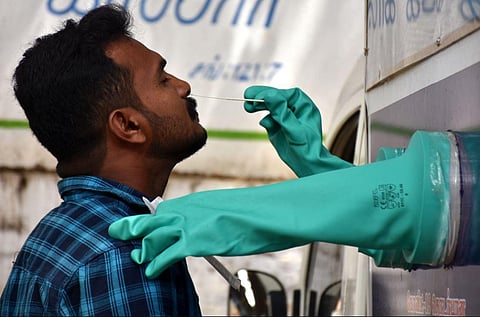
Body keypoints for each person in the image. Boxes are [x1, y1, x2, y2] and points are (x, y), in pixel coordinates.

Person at [0, 4, 206, 316]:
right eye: (162, 79)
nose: (183, 86)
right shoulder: (125, 254)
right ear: (128, 125)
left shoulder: (67, 227)